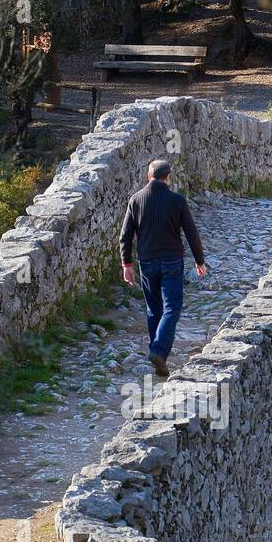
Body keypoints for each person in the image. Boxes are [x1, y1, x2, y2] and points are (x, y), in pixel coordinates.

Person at [119, 158, 206, 378]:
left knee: (153, 309)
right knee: (172, 308)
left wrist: (126, 264)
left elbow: (125, 236)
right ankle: (158, 351)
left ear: (149, 176)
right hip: (172, 261)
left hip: (146, 262)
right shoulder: (177, 200)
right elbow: (191, 234)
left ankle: (158, 356)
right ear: (168, 177)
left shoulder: (136, 200)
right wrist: (199, 261)